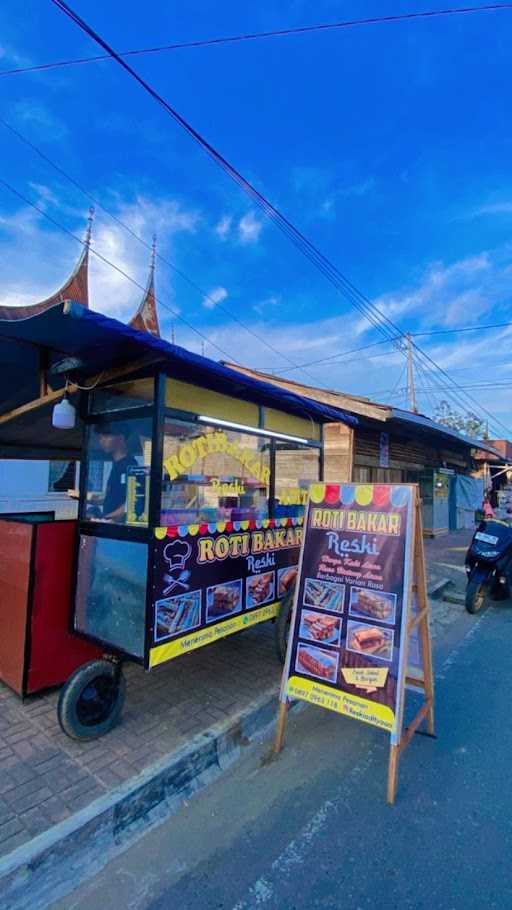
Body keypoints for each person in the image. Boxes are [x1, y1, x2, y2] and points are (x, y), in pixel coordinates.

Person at [96, 423, 138, 522]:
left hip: (120, 529)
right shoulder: (116, 466)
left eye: (106, 436)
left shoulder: (129, 466)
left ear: (121, 438)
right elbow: (112, 498)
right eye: (100, 437)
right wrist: (84, 497)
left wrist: (106, 519)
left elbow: (132, 502)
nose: (101, 441)